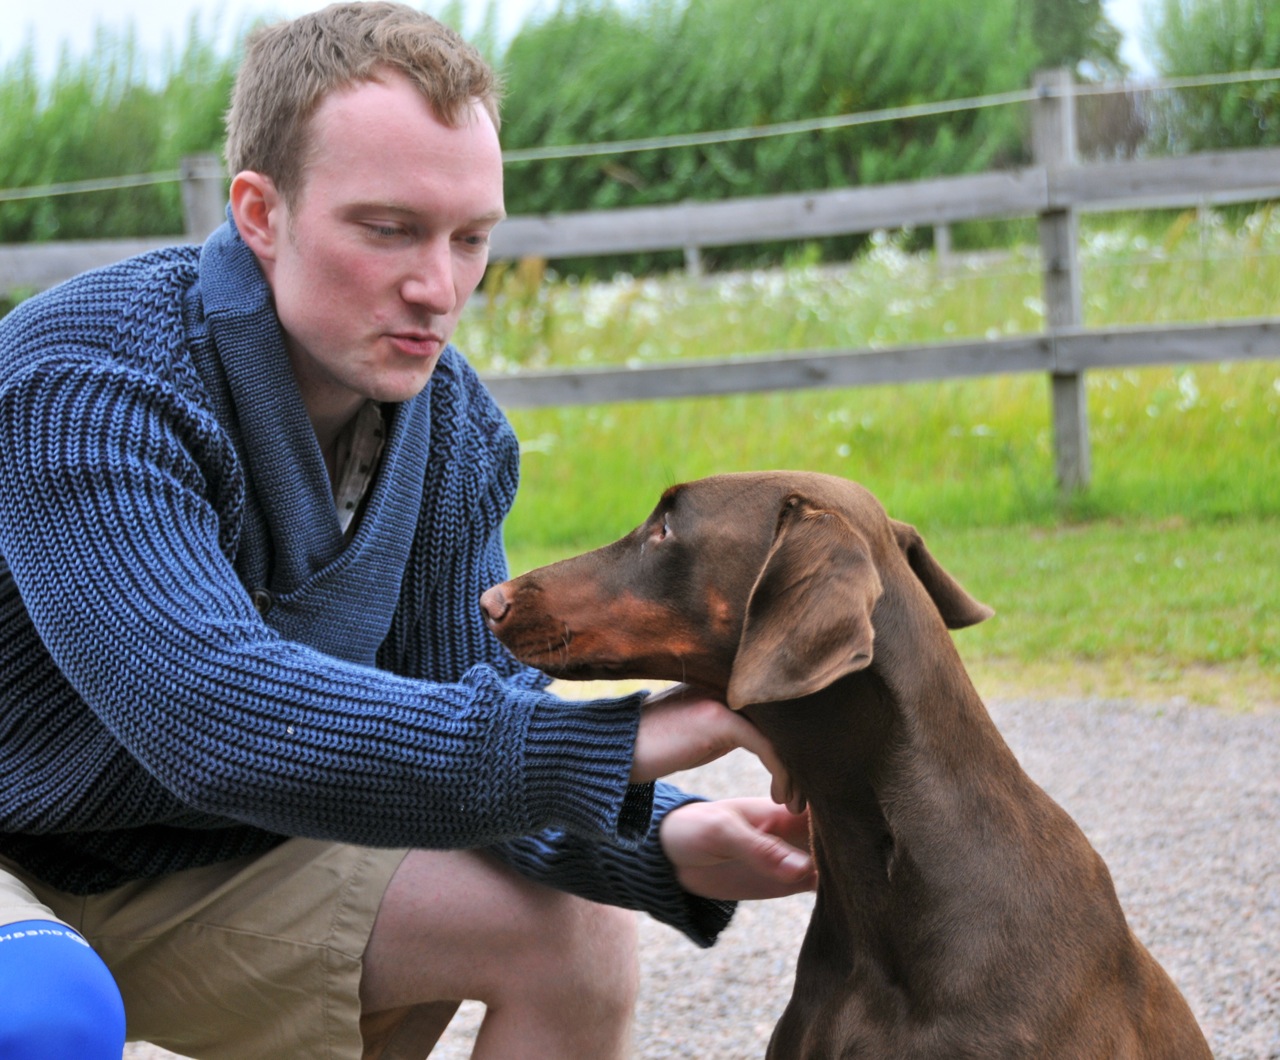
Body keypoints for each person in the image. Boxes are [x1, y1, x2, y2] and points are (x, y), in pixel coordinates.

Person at [0, 4, 815, 1058]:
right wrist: (628, 737)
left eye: (469, 238)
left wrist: (663, 834)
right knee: (45, 1014)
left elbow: (456, 713)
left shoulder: (455, 434)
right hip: (19, 857)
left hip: (185, 871)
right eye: (388, 229)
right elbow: (206, 708)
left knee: (570, 940)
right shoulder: (86, 378)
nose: (438, 288)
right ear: (260, 212)